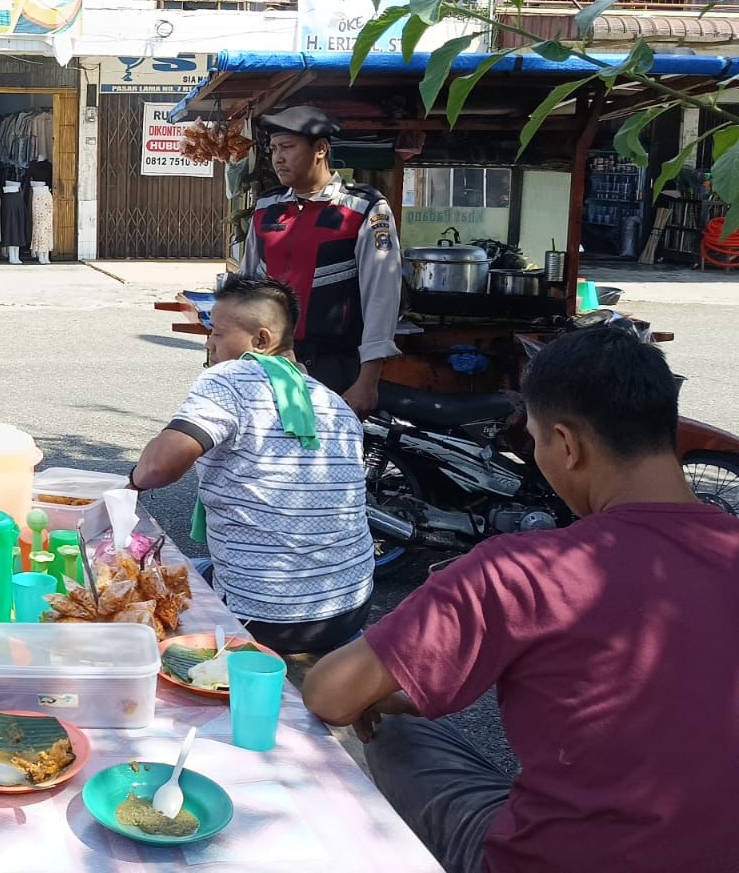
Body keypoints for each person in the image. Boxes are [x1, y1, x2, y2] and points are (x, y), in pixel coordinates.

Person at [301, 326, 739, 873]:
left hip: (542, 860)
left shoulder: (522, 570)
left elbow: (329, 694)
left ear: (568, 445)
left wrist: (395, 683)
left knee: (392, 727)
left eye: (534, 440)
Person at [130, 275, 373, 655]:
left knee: (143, 587)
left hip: (265, 616)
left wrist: (131, 479)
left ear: (261, 340)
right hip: (350, 607)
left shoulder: (231, 377)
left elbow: (158, 467)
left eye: (218, 333)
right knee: (200, 566)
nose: (209, 343)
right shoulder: (332, 401)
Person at [240, 106, 401, 415]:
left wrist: (369, 380)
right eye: (274, 149)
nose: (278, 158)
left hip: (334, 366)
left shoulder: (364, 209)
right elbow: (247, 287)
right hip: (270, 363)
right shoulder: (267, 207)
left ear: (321, 150)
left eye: (288, 147)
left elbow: (382, 296)